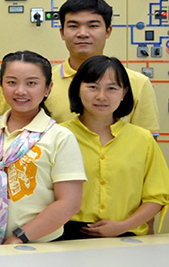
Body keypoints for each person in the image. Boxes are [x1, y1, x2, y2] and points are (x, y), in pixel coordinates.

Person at [0, 51, 86, 245]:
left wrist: (19, 237)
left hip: (38, 245)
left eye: (31, 83)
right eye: (12, 82)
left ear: (48, 89)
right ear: (1, 85)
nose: (20, 91)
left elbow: (69, 203)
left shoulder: (60, 137)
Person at [63, 55, 169, 239]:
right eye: (93, 87)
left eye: (111, 88)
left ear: (124, 93)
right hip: (67, 236)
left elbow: (157, 196)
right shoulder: (58, 136)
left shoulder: (143, 139)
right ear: (77, 89)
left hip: (128, 235)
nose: (101, 96)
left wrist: (123, 226)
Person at [45, 0, 159, 133]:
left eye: (93, 26)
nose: (83, 33)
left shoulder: (137, 83)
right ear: (62, 33)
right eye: (73, 26)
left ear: (108, 31)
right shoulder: (44, 82)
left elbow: (146, 141)